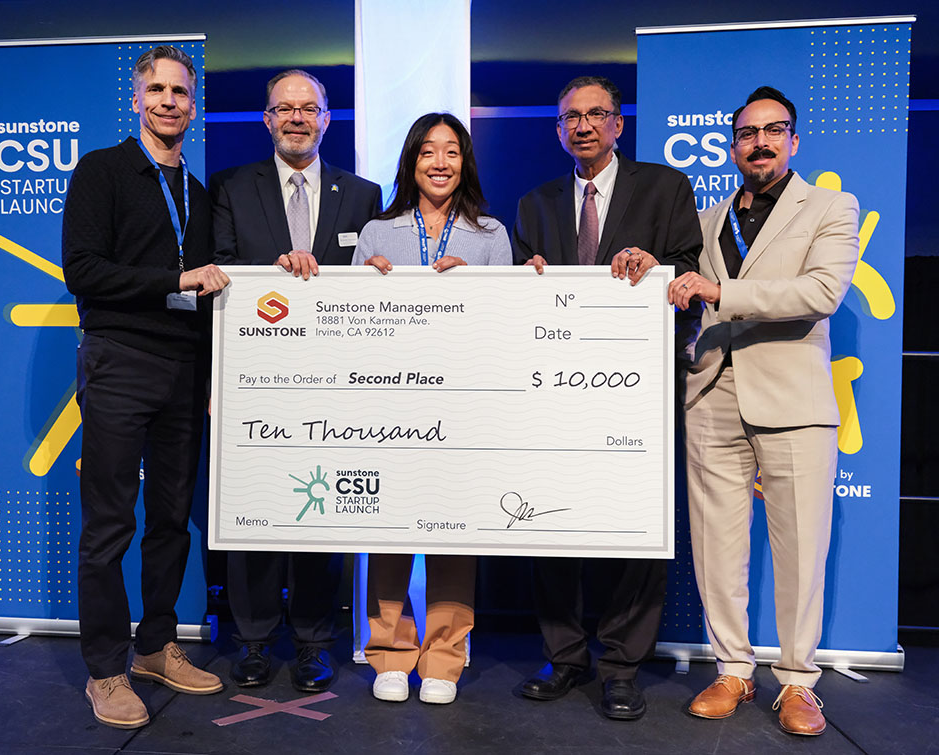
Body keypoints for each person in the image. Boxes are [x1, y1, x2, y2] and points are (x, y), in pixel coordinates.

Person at [668, 86, 859, 737]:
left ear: (794, 140)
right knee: (716, 545)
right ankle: (733, 669)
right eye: (748, 133)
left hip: (793, 401)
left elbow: (821, 291)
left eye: (774, 130)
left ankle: (799, 680)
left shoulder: (830, 206)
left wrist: (721, 291)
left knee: (801, 547)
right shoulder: (707, 217)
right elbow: (675, 281)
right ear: (732, 146)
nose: (761, 142)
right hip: (711, 395)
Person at [512, 75, 701, 721]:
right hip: (553, 391)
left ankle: (621, 666)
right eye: (571, 117)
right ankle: (564, 656)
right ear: (558, 129)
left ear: (619, 124)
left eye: (597, 114)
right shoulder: (534, 204)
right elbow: (515, 297)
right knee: (549, 523)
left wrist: (658, 266)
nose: (584, 125)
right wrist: (524, 282)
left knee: (633, 526)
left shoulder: (664, 187)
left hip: (637, 387)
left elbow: (689, 270)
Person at [62, 45, 228, 730]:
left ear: (194, 104)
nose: (168, 101)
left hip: (184, 370)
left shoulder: (199, 190)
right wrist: (174, 279)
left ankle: (157, 645)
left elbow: (216, 294)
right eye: (156, 89)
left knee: (170, 520)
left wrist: (215, 375)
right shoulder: (101, 170)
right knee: (110, 524)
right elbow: (82, 271)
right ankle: (105, 669)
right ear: (136, 100)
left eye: (179, 91)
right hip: (119, 361)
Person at [210, 69, 382, 692]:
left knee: (320, 507)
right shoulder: (230, 187)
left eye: (309, 108)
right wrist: (272, 271)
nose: (296, 118)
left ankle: (313, 641)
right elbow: (219, 269)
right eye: (284, 109)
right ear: (266, 119)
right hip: (253, 378)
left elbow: (372, 280)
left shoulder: (362, 195)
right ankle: (253, 640)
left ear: (327, 119)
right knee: (254, 507)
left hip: (333, 383)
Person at [353, 112, 512, 705]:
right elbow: (347, 327)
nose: (440, 162)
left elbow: (508, 325)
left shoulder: (491, 235)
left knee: (454, 529)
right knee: (387, 526)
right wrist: (364, 286)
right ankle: (391, 653)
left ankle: (445, 656)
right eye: (427, 151)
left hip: (464, 404)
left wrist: (479, 289)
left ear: (465, 162)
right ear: (411, 162)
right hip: (390, 404)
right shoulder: (377, 232)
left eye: (451, 151)